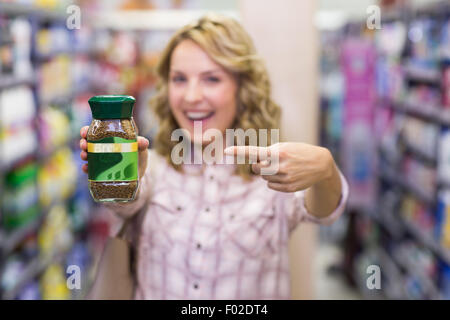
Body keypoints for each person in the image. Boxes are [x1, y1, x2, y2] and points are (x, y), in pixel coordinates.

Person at [79, 13, 349, 300]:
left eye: (211, 79)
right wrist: (121, 174)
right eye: (179, 79)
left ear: (242, 87)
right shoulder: (155, 168)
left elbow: (325, 211)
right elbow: (124, 203)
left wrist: (325, 169)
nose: (192, 96)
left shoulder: (272, 171)